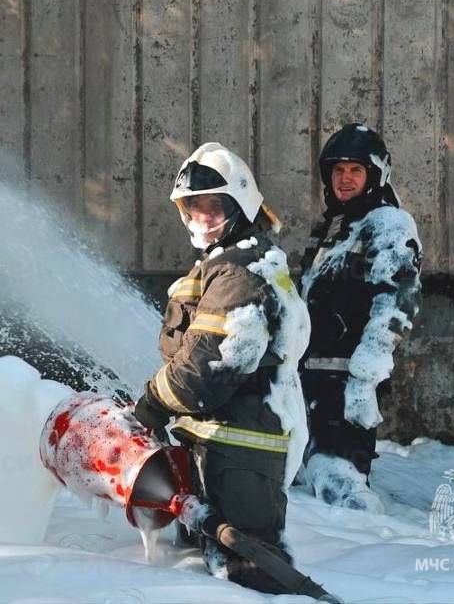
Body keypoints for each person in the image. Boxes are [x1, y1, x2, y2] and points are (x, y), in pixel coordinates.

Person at [132, 143, 309, 594]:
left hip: (240, 456)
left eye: (214, 206)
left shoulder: (240, 273)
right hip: (216, 449)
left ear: (240, 204)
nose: (202, 217)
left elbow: (207, 365)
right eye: (193, 207)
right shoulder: (224, 263)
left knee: (248, 577)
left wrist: (151, 405)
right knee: (206, 575)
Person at [297, 123, 421, 513]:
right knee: (307, 478)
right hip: (308, 379)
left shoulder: (387, 224)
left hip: (345, 381)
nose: (345, 179)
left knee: (339, 479)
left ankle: (369, 557)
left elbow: (398, 301)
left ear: (375, 175)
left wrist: (365, 376)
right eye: (338, 171)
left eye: (355, 170)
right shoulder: (333, 228)